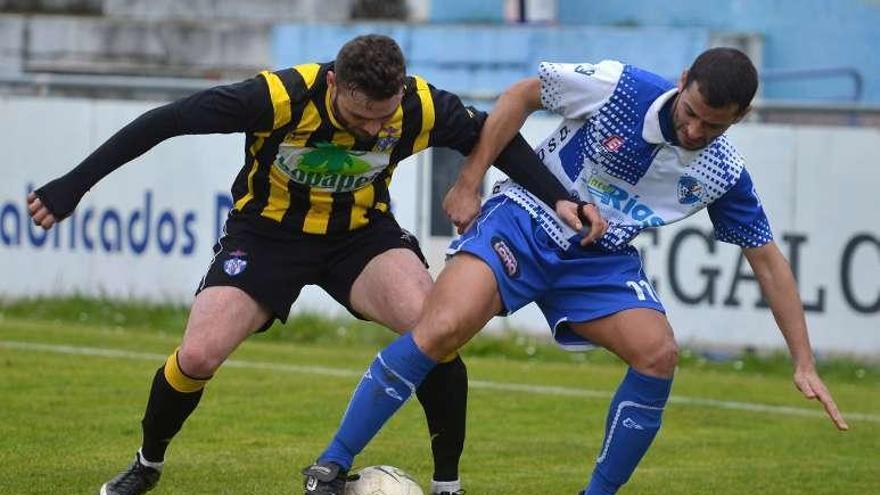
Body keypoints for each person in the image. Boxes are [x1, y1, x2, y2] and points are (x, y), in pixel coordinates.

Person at [26, 34, 600, 495]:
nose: (375, 130)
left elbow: (495, 136)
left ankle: (447, 484)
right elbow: (167, 120)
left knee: (438, 331)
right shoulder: (279, 96)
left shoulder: (418, 104)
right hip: (266, 235)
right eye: (361, 116)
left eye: (385, 116)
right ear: (333, 84)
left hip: (360, 237)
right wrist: (73, 186)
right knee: (198, 354)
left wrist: (559, 198)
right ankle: (147, 464)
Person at [301, 47, 849, 494]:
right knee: (440, 330)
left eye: (713, 126)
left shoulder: (724, 172)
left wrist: (803, 361)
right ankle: (331, 464)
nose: (695, 131)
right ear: (683, 82)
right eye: (692, 113)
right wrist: (469, 180)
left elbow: (769, 263)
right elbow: (520, 94)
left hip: (598, 260)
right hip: (526, 217)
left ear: (740, 117)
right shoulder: (620, 87)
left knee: (658, 354)